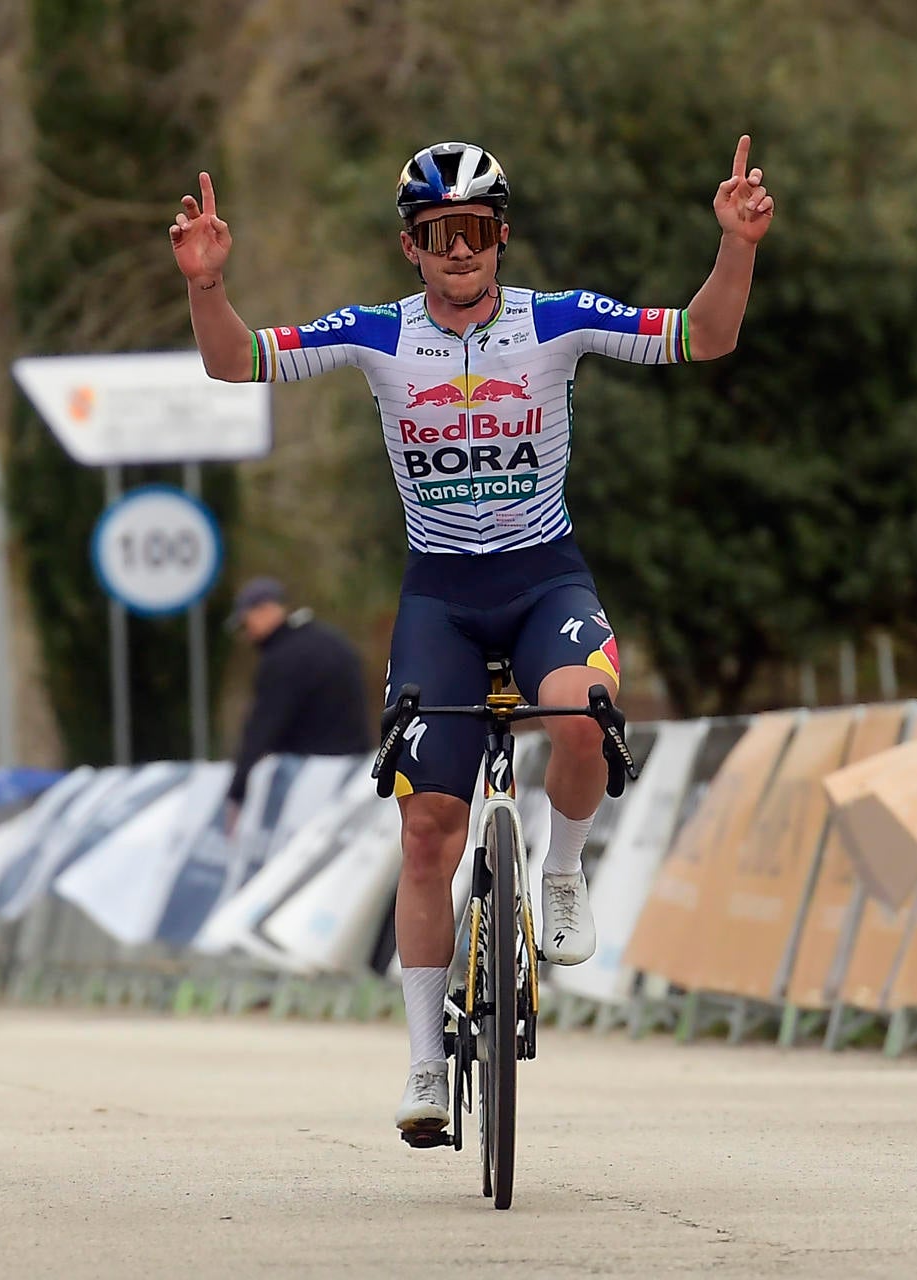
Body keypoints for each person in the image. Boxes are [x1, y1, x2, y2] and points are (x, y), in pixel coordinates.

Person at [170, 138, 772, 1135]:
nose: (462, 251)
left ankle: (564, 868)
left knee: (583, 717)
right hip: (439, 598)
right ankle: (417, 1061)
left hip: (545, 581)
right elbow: (234, 360)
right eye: (441, 234)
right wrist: (208, 283)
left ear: (502, 240)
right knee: (426, 827)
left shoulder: (559, 320)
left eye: (479, 232)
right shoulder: (376, 335)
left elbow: (706, 338)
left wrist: (736, 244)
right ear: (410, 246)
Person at [225, 577, 372, 833]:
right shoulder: (332, 641)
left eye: (246, 622)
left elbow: (263, 728)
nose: (247, 634)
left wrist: (238, 790)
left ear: (266, 610)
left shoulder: (282, 658)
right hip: (353, 772)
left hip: (305, 781)